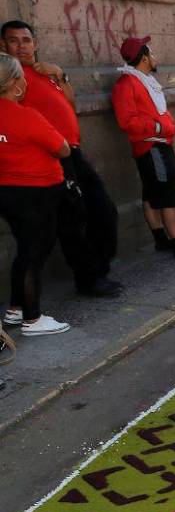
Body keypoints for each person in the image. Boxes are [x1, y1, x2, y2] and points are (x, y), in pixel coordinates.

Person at [1, 20, 122, 297]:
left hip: (72, 151)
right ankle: (89, 278)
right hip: (50, 157)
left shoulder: (44, 72)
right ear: (3, 46)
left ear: (35, 44)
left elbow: (71, 105)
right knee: (72, 220)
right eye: (13, 41)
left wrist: (61, 75)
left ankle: (98, 270)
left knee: (103, 210)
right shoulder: (11, 78)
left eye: (26, 40)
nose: (21, 46)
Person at [112, 36, 175, 261]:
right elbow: (127, 121)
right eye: (152, 53)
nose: (155, 57)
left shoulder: (143, 80)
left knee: (152, 191)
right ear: (144, 58)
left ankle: (160, 239)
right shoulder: (126, 84)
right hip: (151, 146)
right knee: (166, 191)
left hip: (159, 143)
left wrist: (165, 125)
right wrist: (158, 126)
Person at [0, 53, 72, 335]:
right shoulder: (26, 116)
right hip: (37, 193)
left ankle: (16, 310)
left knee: (25, 251)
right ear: (16, 82)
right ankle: (32, 318)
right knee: (34, 254)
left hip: (7, 192)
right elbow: (63, 148)